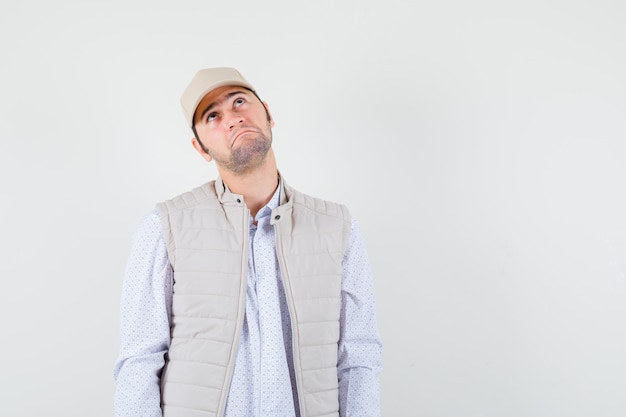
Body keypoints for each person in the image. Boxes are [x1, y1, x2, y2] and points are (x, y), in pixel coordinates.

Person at [113, 67, 382, 417]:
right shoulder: (165, 227)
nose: (233, 118)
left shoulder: (337, 227)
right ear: (200, 147)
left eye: (240, 101)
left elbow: (358, 357)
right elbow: (139, 359)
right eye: (213, 116)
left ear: (268, 114)